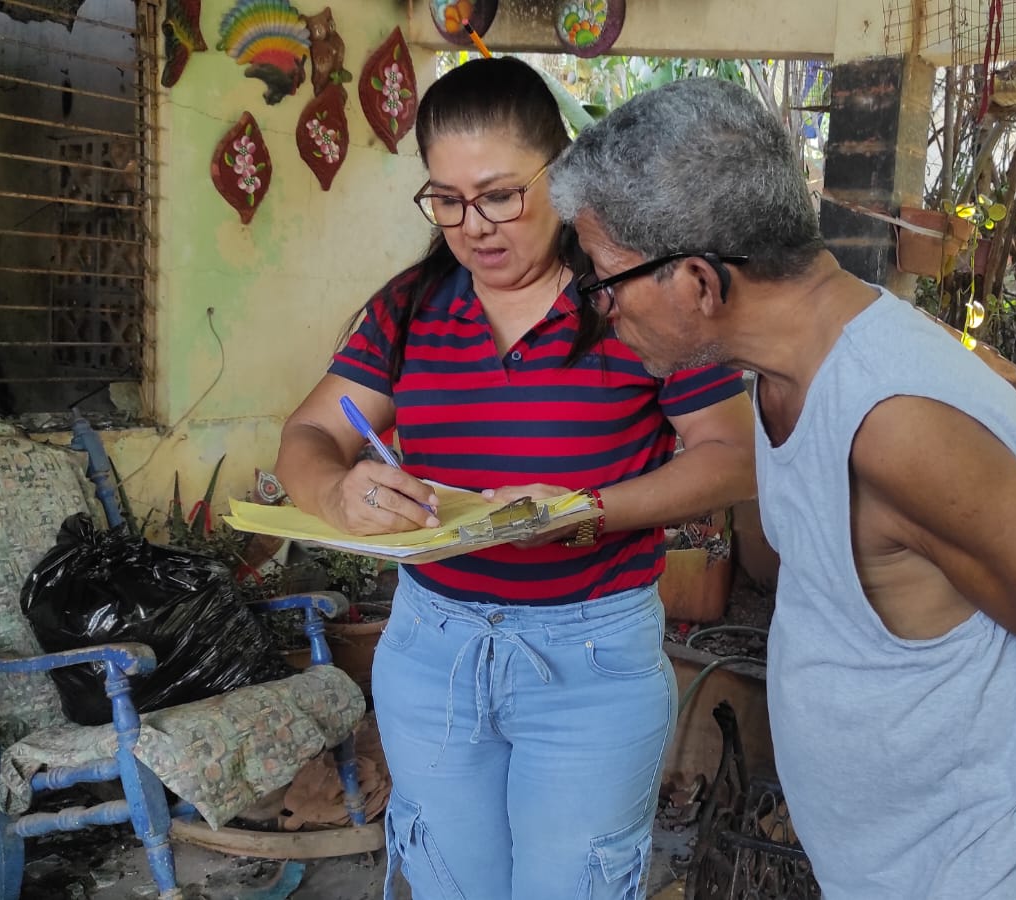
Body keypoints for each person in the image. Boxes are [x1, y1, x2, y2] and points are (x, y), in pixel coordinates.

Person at [549, 78, 1016, 898]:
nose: (600, 308)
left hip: (999, 873)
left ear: (699, 284)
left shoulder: (897, 421)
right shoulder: (782, 375)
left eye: (605, 281)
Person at [273, 58, 756, 899]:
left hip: (590, 660)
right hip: (433, 650)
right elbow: (311, 434)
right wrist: (335, 492)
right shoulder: (411, 306)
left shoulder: (633, 298)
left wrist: (587, 512)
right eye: (447, 200)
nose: (474, 227)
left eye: (499, 196)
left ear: (561, 177)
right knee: (450, 883)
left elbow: (732, 456)